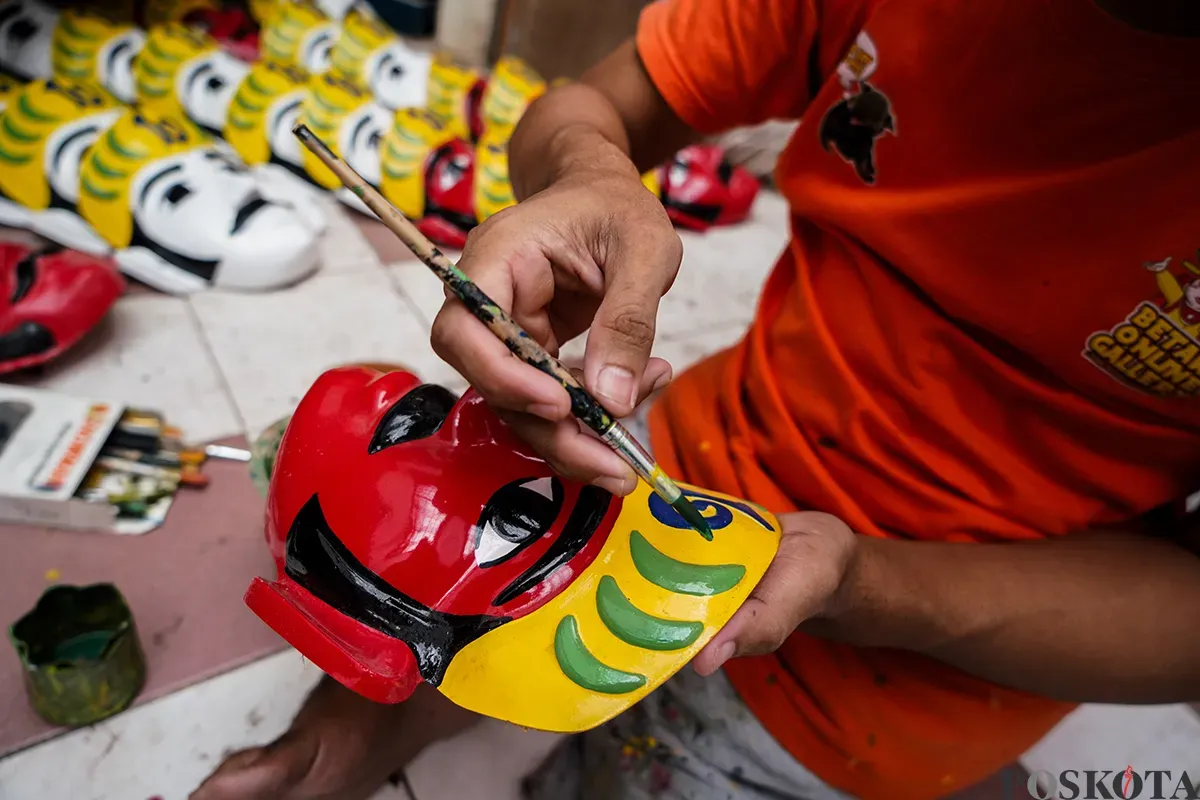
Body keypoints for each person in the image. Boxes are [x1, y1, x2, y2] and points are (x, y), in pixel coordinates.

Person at [193, 0, 1200, 797]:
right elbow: (592, 106)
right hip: (681, 453)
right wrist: (589, 173)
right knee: (454, 539)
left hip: (924, 666)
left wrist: (867, 587)